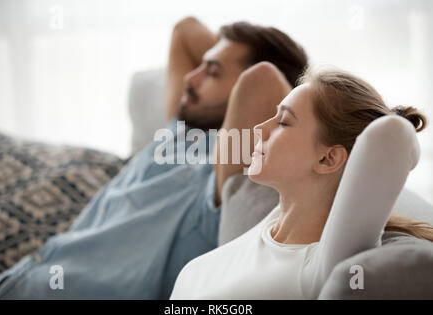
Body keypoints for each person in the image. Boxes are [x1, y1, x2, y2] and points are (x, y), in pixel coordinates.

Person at [0, 18, 308, 299]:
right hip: (15, 281)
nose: (190, 79)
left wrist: (278, 80)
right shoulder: (178, 132)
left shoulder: (228, 164)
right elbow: (185, 30)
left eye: (211, 71)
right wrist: (225, 57)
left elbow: (262, 79)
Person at [170, 68, 433, 299]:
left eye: (283, 122)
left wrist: (399, 118)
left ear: (328, 158)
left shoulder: (322, 267)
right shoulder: (275, 223)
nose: (260, 130)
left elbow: (392, 137)